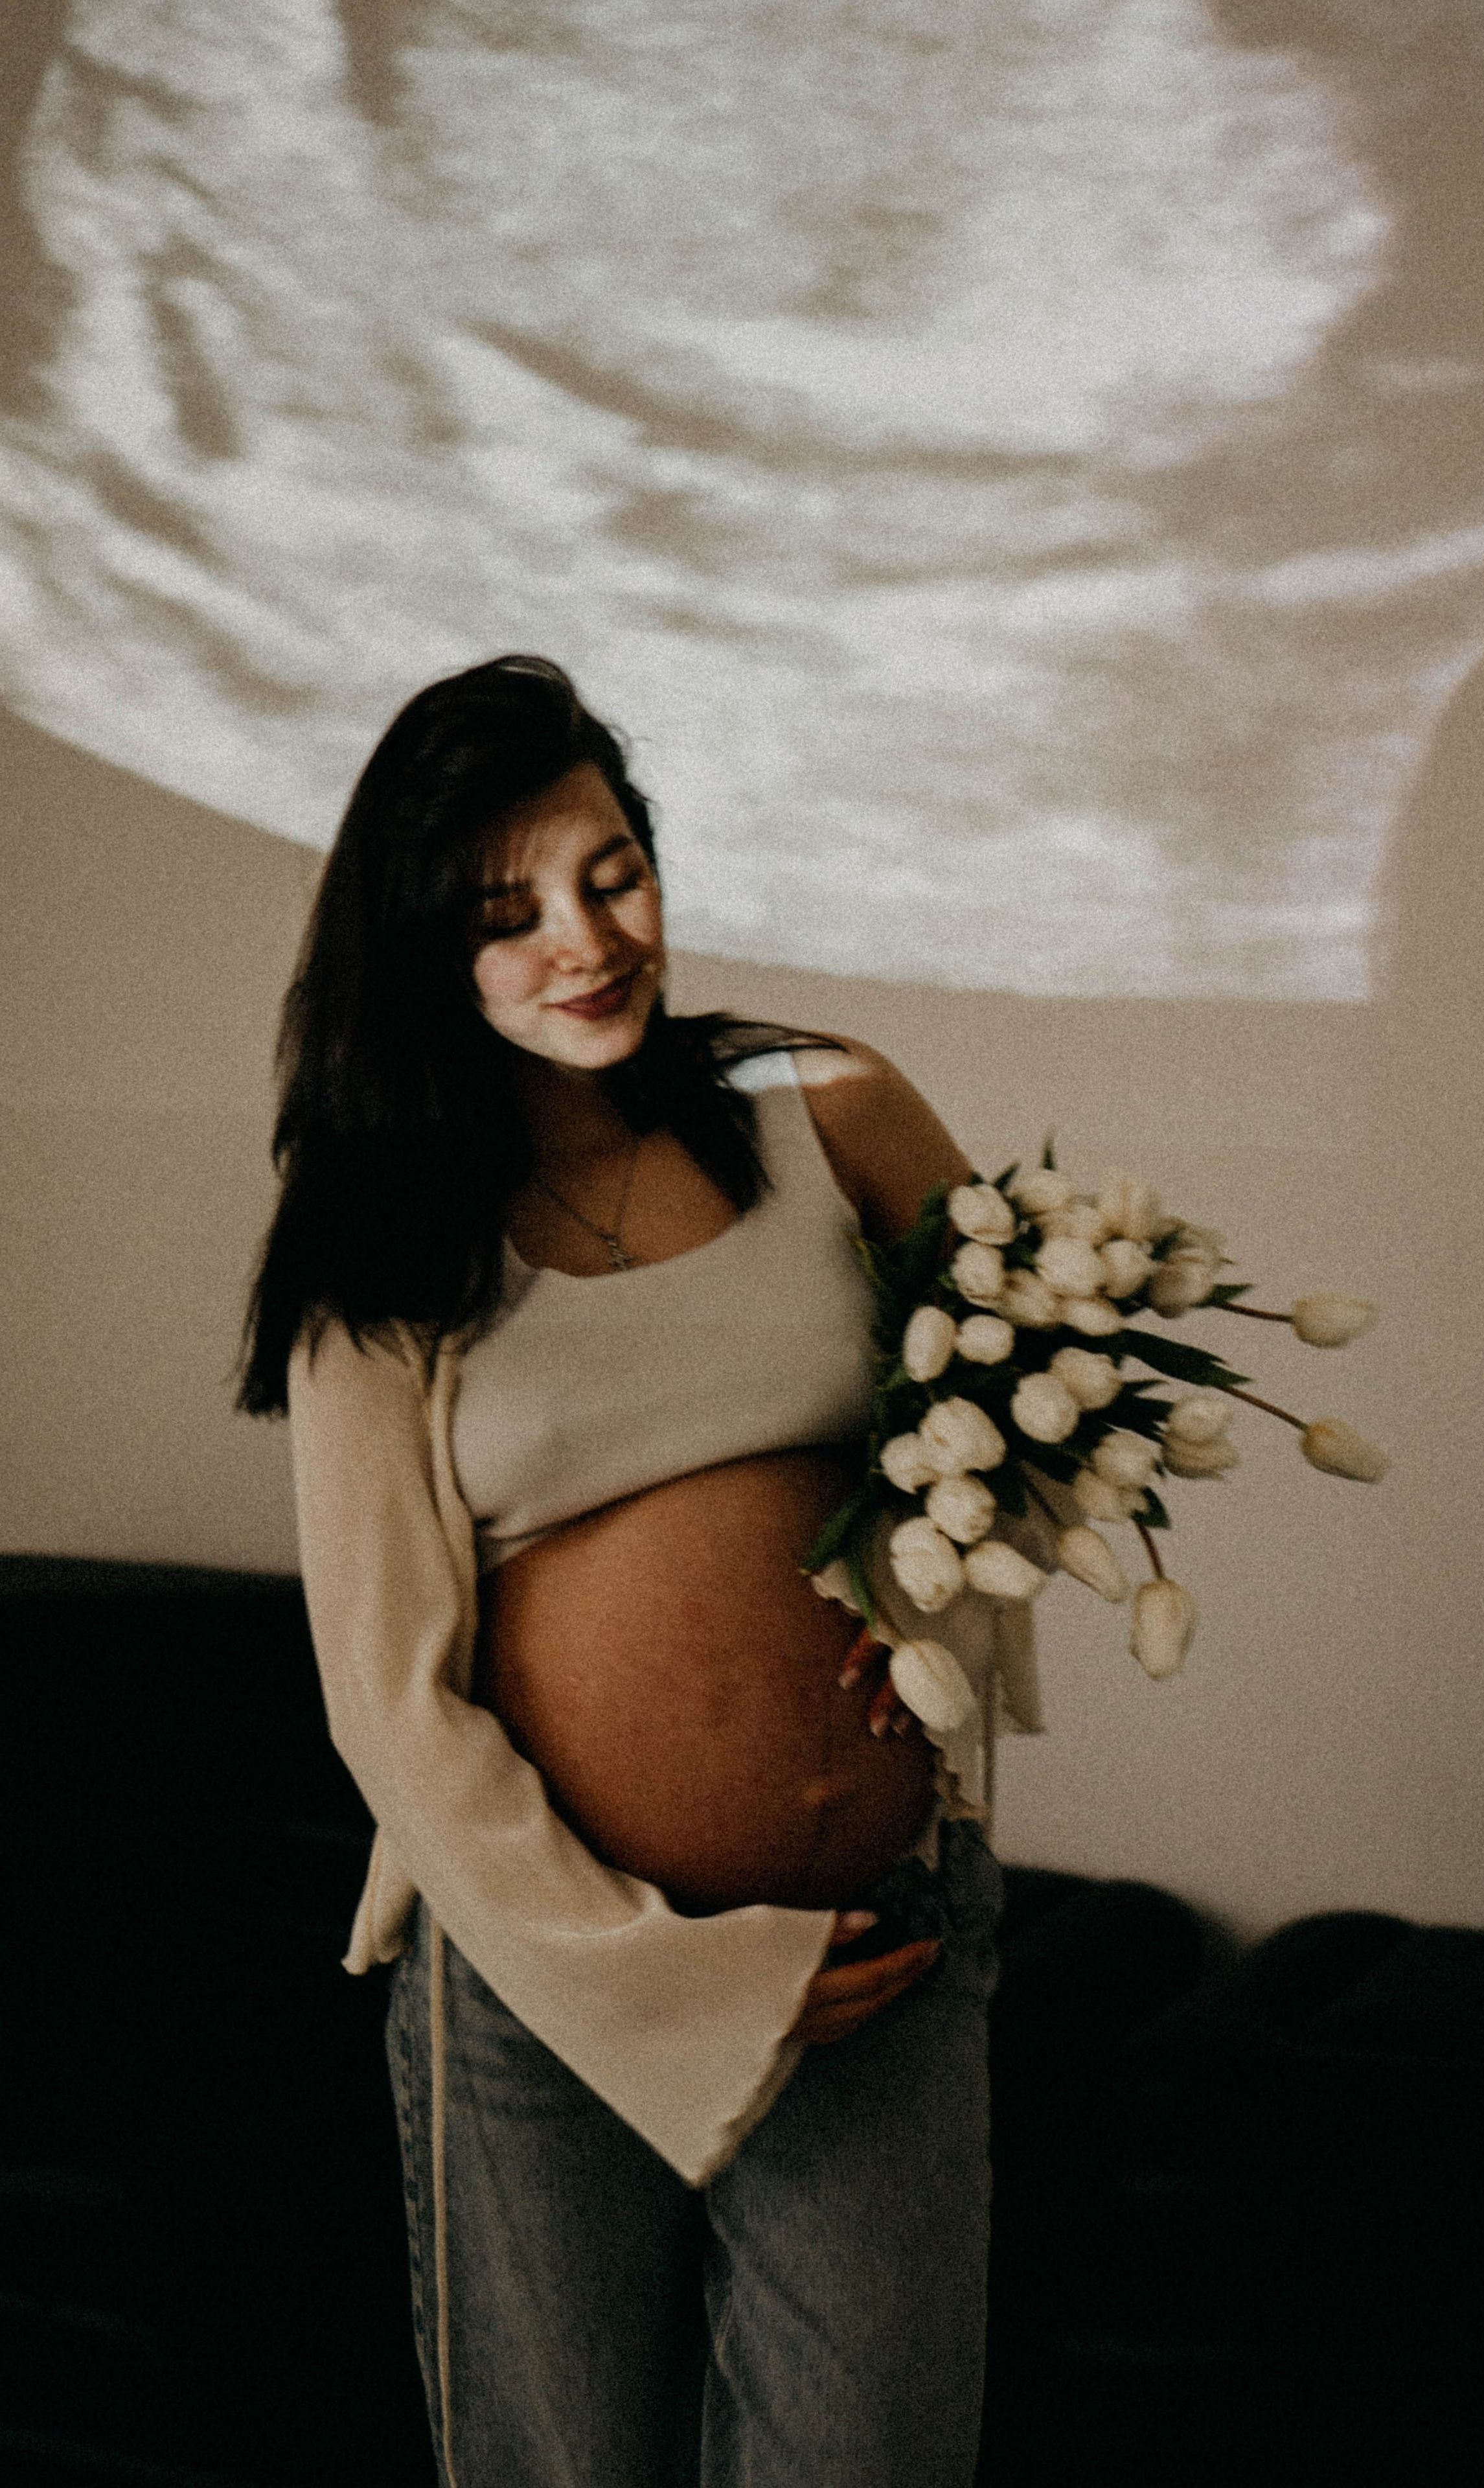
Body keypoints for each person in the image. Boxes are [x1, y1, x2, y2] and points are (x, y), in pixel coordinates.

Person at [238, 654, 1040, 2488]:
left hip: (872, 1950)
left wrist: (937, 1647)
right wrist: (659, 1978)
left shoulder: (826, 1109)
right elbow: (386, 1696)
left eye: (613, 872)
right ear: (425, 946)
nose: (584, 942)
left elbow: (1030, 1434)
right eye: (507, 913)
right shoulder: (382, 1234)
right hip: (541, 1989)